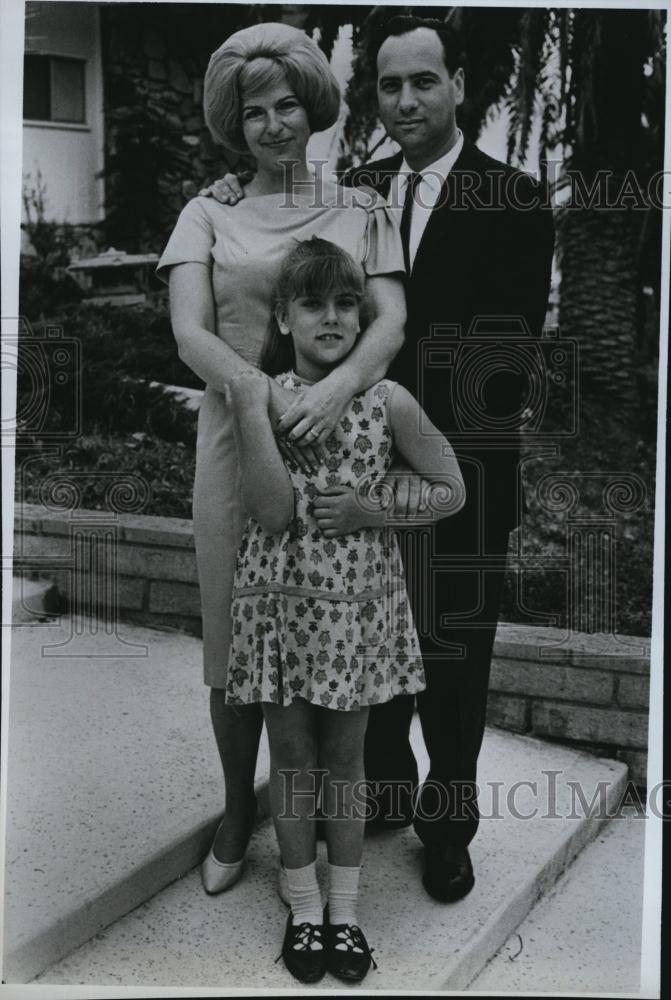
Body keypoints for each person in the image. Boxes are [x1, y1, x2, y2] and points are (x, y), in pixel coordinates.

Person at [201, 15, 555, 905]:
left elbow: (500, 358)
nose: (404, 100)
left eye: (422, 82)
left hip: (451, 460)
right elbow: (293, 263)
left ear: (457, 86)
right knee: (368, 640)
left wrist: (389, 417)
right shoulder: (352, 191)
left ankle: (449, 829)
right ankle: (386, 792)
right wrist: (233, 188)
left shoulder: (510, 198)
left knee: (453, 655)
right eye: (388, 86)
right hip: (342, 469)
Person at [156, 22, 408, 900]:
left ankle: (321, 845)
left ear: (314, 109)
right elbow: (189, 331)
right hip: (237, 443)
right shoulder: (209, 210)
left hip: (338, 446)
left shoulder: (363, 208)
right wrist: (255, 390)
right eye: (254, 111)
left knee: (324, 631)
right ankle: (236, 809)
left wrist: (333, 394)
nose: (272, 125)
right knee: (233, 641)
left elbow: (388, 323)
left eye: (287, 105)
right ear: (235, 121)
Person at [226, 235, 465, 983]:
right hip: (279, 609)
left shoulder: (386, 400)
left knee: (345, 761)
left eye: (344, 303)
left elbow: (450, 489)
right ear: (284, 317)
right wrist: (250, 406)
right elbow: (267, 511)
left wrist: (370, 509)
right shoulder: (263, 391)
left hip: (356, 612)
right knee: (292, 760)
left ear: (363, 315)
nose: (330, 317)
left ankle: (346, 914)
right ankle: (302, 907)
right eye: (311, 303)